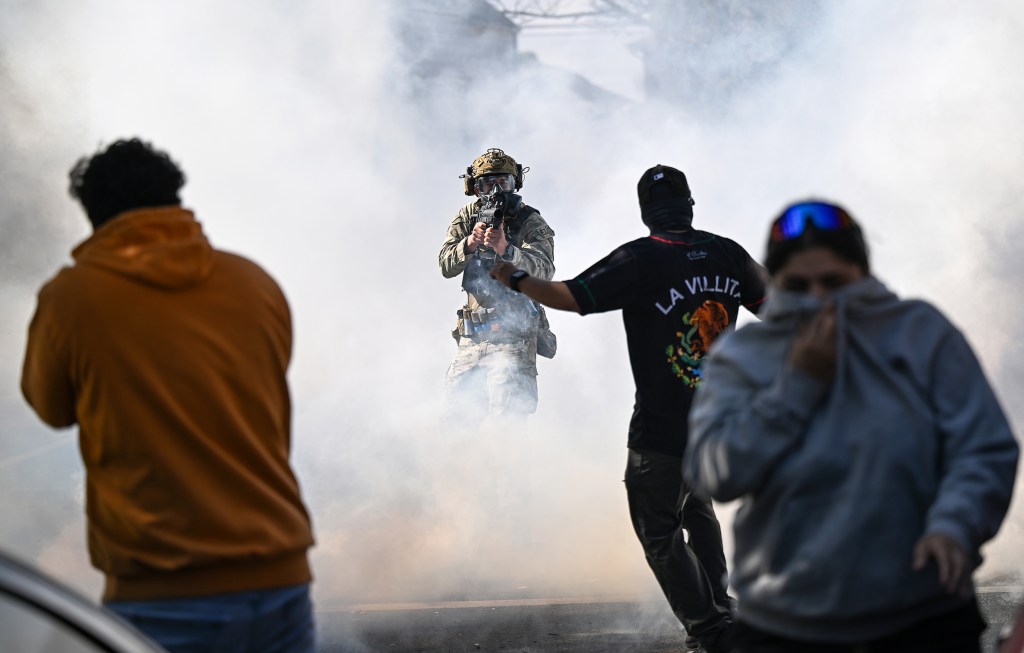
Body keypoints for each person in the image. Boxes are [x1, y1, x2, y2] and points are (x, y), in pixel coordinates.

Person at [20, 138, 317, 653]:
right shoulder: (253, 282)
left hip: (161, 591)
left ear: (94, 215)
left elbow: (51, 408)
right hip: (280, 579)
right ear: (175, 197)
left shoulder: (70, 298)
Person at [685, 200, 1020, 652]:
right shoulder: (743, 355)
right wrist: (797, 386)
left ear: (862, 273)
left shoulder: (920, 334)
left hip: (923, 609)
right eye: (799, 285)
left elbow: (982, 447)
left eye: (834, 282)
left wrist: (955, 525)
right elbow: (714, 472)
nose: (819, 297)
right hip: (787, 616)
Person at [490, 164, 768, 652]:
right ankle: (722, 608)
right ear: (690, 205)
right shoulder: (728, 253)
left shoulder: (642, 258)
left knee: (659, 530)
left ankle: (710, 630)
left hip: (661, 429)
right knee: (696, 507)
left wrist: (515, 278)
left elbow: (573, 296)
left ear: (645, 213)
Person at [439, 147, 556, 430]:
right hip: (473, 338)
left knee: (508, 425)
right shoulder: (468, 217)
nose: (495, 190)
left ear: (515, 183)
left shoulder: (529, 220)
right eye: (487, 183)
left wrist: (507, 249)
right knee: (454, 423)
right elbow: (445, 265)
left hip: (513, 336)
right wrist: (469, 244)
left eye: (503, 182)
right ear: (475, 188)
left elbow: (544, 271)